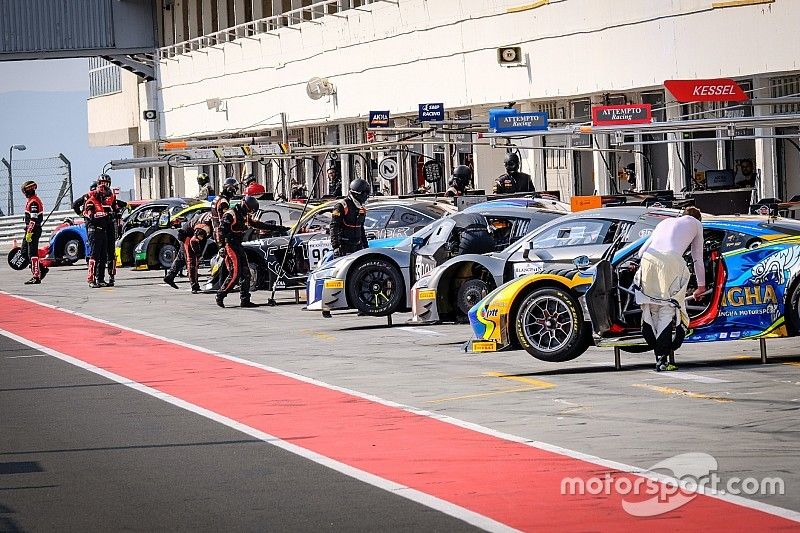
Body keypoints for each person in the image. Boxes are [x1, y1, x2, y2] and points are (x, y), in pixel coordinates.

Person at [634, 207, 706, 372]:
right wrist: (701, 286)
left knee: (652, 308)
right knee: (666, 310)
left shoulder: (664, 222)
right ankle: (662, 359)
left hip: (648, 260)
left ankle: (658, 354)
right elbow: (697, 258)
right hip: (670, 262)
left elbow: (641, 252)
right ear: (697, 218)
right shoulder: (696, 224)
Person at [216, 195, 281, 308]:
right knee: (235, 273)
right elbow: (221, 230)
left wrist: (277, 228)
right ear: (245, 206)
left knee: (246, 273)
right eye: (250, 210)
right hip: (230, 245)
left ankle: (245, 300)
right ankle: (220, 295)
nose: (251, 213)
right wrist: (221, 246)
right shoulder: (231, 214)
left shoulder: (244, 215)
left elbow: (257, 224)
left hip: (238, 245)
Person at [164, 211, 213, 294]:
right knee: (192, 260)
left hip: (188, 232)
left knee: (182, 257)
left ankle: (169, 276)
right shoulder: (207, 224)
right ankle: (194, 286)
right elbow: (194, 241)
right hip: (188, 236)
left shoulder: (212, 216)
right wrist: (199, 254)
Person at [97, 174, 127, 287]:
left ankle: (111, 275)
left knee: (111, 252)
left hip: (110, 225)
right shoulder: (95, 195)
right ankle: (98, 277)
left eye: (106, 183)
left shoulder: (112, 195)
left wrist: (118, 214)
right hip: (98, 227)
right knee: (100, 254)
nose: (104, 185)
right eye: (102, 182)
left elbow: (116, 207)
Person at [330, 178, 370, 258]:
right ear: (356, 194)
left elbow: (361, 228)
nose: (366, 196)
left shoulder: (361, 207)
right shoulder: (341, 206)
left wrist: (366, 246)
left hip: (358, 246)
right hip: (344, 247)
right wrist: (336, 247)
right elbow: (334, 226)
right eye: (364, 193)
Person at [83, 183, 113, 288]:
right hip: (94, 232)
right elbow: (91, 216)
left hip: (102, 232)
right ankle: (91, 279)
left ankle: (100, 279)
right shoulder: (90, 202)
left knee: (103, 256)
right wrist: (104, 215)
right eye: (104, 195)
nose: (105, 198)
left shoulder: (100, 203)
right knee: (94, 256)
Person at [20, 180, 49, 284]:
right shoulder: (32, 200)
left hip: (33, 230)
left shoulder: (33, 202)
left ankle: (36, 276)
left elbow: (33, 219)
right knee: (24, 252)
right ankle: (42, 268)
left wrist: (29, 232)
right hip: (30, 229)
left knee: (32, 253)